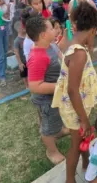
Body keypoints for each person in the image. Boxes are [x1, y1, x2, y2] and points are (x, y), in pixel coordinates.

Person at [51, 2, 97, 182]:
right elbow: (72, 90)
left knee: (83, 138)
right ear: (93, 30)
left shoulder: (74, 44)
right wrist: (85, 120)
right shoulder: (79, 53)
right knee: (75, 145)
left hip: (78, 106)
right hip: (75, 109)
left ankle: (87, 163)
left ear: (75, 25)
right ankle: (70, 179)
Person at [27, 16, 69, 164]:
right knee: (47, 127)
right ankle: (51, 151)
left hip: (54, 95)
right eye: (52, 28)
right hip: (46, 99)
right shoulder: (38, 57)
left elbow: (60, 56)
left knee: (56, 118)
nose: (55, 29)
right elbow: (34, 86)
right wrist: (62, 87)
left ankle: (58, 131)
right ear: (43, 35)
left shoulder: (50, 45)